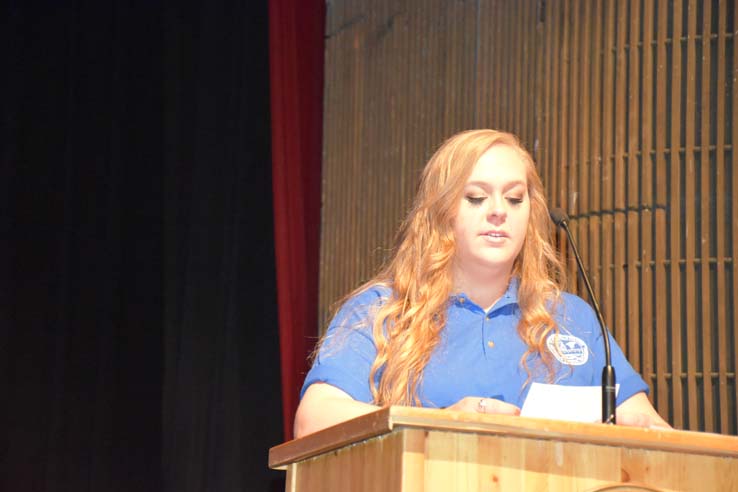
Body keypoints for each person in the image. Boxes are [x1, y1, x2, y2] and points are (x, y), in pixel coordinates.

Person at [295, 129, 669, 438]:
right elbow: (315, 419)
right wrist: (438, 425)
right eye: (476, 197)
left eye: (514, 198)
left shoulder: (573, 317)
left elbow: (646, 425)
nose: (498, 211)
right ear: (440, 212)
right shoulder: (381, 310)